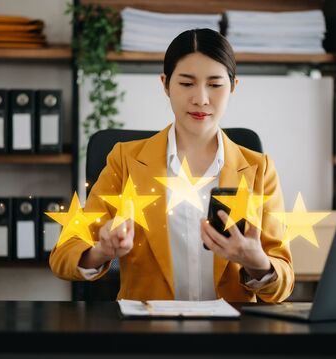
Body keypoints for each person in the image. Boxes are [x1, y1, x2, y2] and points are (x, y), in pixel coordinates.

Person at [50, 28, 294, 303]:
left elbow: (283, 284)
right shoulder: (125, 160)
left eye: (215, 84)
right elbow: (64, 253)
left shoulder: (258, 169)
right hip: (150, 332)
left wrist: (257, 263)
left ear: (234, 86)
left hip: (229, 334)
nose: (201, 98)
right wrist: (100, 252)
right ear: (165, 84)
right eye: (187, 83)